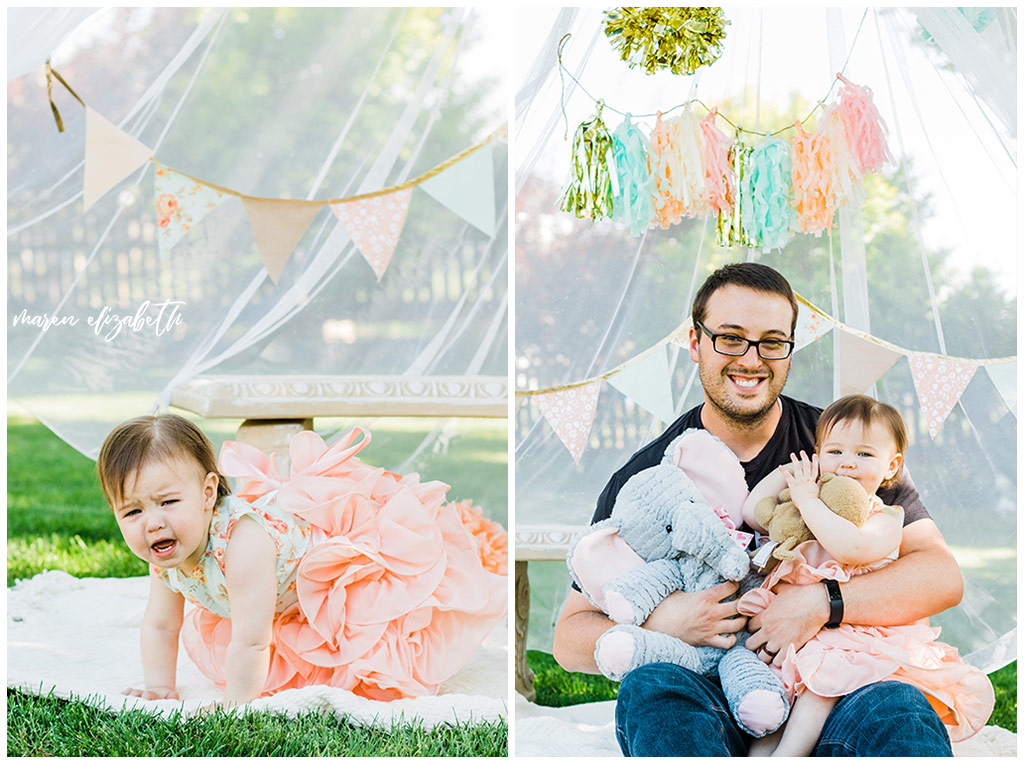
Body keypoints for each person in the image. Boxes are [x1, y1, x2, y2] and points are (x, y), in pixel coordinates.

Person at [551, 262, 963, 756]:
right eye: (730, 337)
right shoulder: (650, 476)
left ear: (791, 348)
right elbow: (568, 638)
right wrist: (669, 619)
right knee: (651, 690)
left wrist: (823, 604)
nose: (751, 359)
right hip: (708, 687)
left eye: (772, 341)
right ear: (695, 342)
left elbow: (941, 575)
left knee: (900, 708)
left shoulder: (842, 447)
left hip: (831, 685)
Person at [97, 414, 507, 707]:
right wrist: (159, 687)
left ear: (208, 494)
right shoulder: (166, 554)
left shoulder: (242, 543)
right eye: (132, 512)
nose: (152, 524)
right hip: (272, 594)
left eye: (168, 502)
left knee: (366, 633)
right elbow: (160, 623)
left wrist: (234, 707)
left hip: (326, 566)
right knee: (274, 642)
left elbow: (253, 639)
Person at [738, 395, 993, 756]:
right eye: (835, 452)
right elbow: (752, 512)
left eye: (864, 454)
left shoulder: (884, 517)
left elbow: (850, 549)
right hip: (794, 634)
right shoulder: (804, 504)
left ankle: (788, 756)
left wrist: (809, 501)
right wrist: (791, 475)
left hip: (849, 635)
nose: (847, 465)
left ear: (892, 466)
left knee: (819, 690)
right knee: (773, 701)